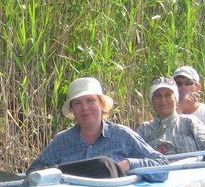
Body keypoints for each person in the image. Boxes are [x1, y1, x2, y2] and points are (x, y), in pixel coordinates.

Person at [29, 77, 169, 180]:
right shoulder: (61, 141)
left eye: (90, 100)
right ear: (72, 110)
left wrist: (128, 164)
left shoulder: (123, 135)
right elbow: (33, 173)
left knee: (104, 164)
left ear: (101, 105)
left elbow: (162, 166)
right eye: (77, 103)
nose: (84, 108)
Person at [137, 76, 205, 158]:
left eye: (167, 95)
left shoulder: (190, 122)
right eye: (158, 96)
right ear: (152, 101)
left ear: (176, 100)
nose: (163, 100)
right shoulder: (144, 129)